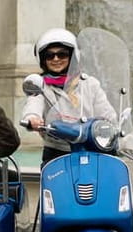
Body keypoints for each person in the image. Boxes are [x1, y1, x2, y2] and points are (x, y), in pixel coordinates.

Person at [21, 28, 116, 165]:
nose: (56, 59)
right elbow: (33, 103)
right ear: (43, 59)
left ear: (72, 56)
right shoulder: (40, 85)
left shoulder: (90, 84)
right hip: (57, 151)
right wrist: (32, 118)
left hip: (92, 148)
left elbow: (108, 115)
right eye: (49, 55)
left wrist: (111, 126)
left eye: (62, 54)